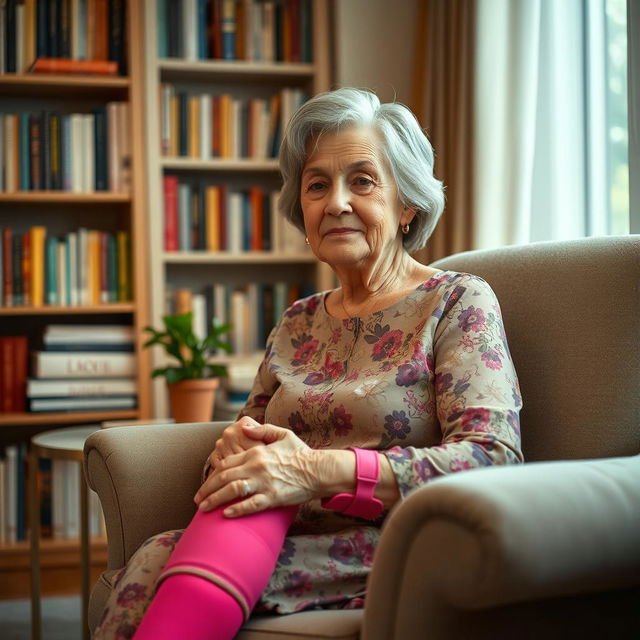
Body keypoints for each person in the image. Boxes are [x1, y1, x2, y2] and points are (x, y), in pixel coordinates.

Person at [94, 87, 523, 639]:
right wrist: (232, 450)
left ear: (407, 203)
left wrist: (313, 472)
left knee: (163, 570)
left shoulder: (457, 302)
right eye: (317, 185)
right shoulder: (297, 321)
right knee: (155, 555)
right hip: (272, 534)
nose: (336, 202)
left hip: (392, 542)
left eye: (362, 181)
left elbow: (493, 457)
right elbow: (236, 453)